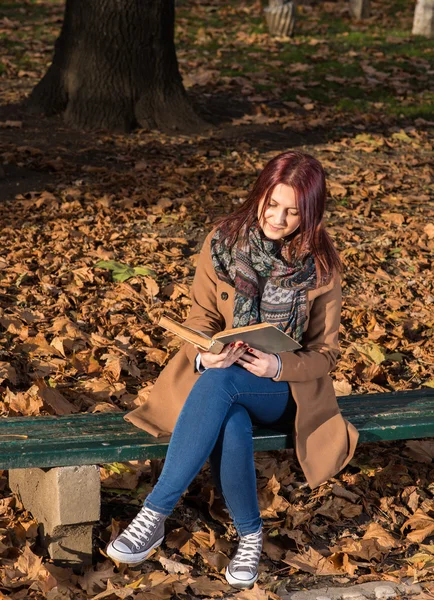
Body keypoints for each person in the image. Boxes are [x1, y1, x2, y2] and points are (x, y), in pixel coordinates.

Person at [106, 150, 359, 589]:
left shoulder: (321, 266)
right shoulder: (223, 241)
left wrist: (278, 364)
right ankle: (250, 535)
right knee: (230, 417)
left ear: (311, 214)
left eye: (292, 212)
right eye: (271, 203)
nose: (277, 218)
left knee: (224, 387)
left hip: (282, 391)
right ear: (260, 193)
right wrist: (207, 354)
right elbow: (201, 316)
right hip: (220, 377)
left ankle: (155, 513)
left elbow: (326, 354)